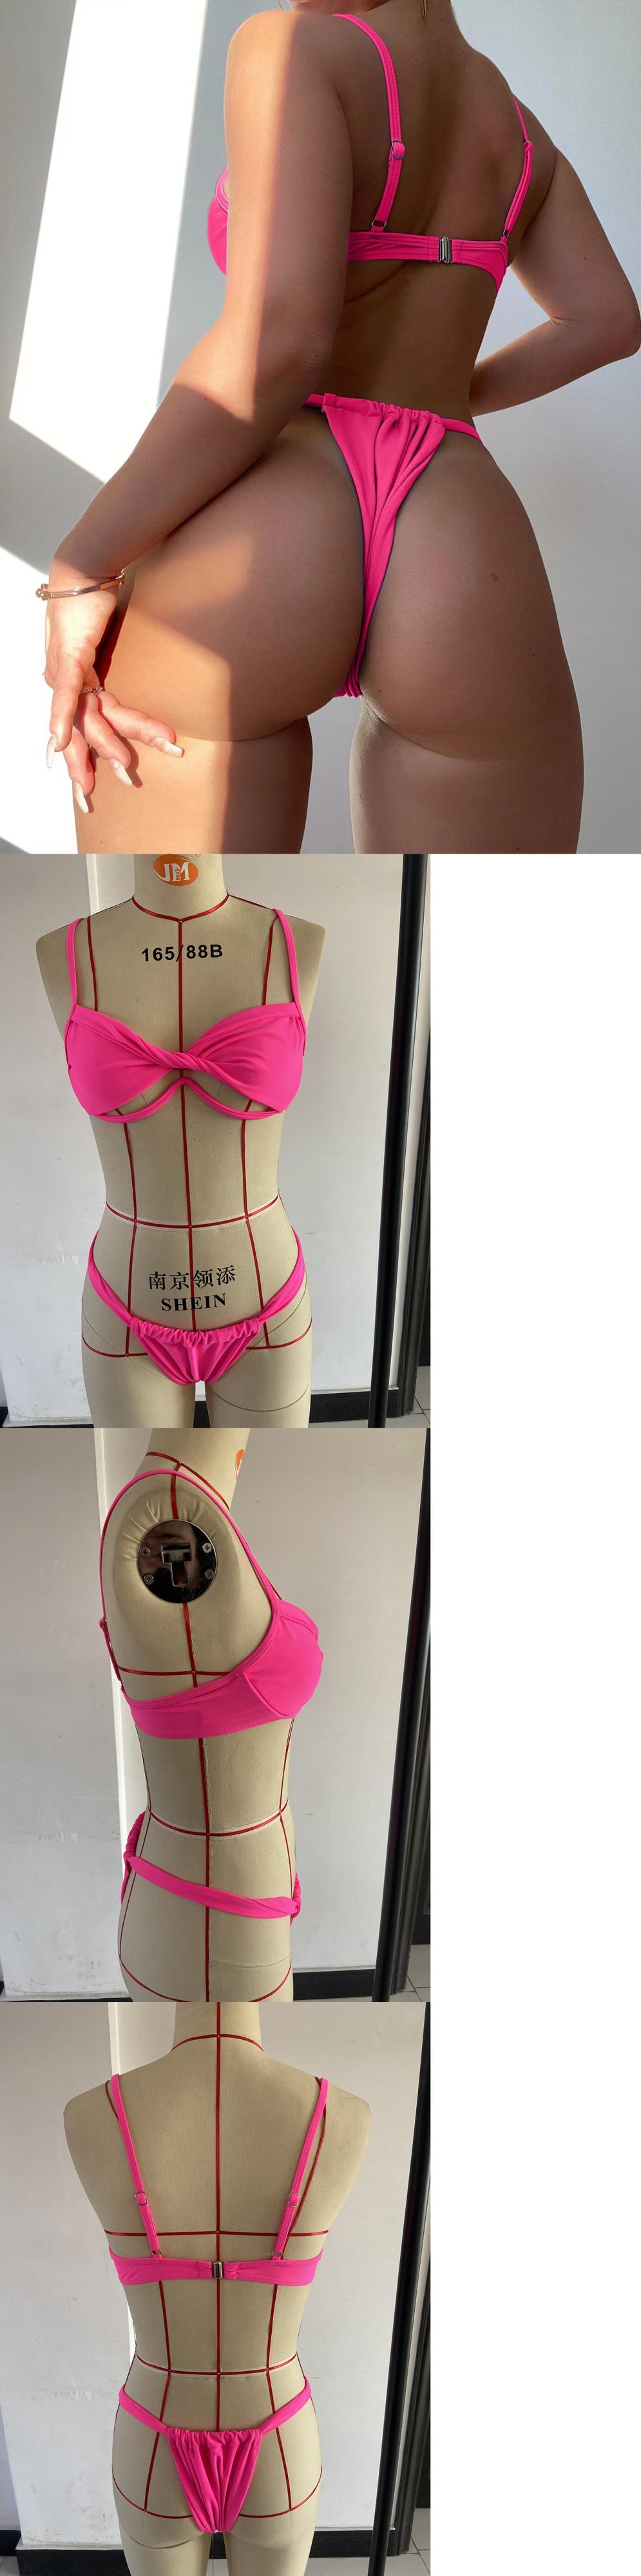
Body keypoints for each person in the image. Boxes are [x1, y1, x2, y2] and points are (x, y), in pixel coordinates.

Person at [40, 0, 640, 852]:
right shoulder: (518, 133)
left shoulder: (291, 47)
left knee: (185, 932)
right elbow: (608, 319)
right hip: (459, 528)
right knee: (473, 934)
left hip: (274, 514)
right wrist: (447, 393)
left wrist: (82, 566)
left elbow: (280, 344)